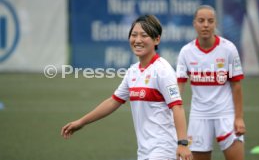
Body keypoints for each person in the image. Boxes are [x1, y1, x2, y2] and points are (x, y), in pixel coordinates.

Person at [61, 15, 192, 160]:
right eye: (134, 35)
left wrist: (182, 143)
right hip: (144, 151)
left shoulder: (163, 70)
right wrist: (81, 122)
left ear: (157, 40)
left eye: (144, 35)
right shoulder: (133, 71)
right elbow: (113, 101)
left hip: (163, 149)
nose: (137, 40)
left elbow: (177, 107)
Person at [176, 5, 246, 160]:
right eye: (201, 20)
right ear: (194, 23)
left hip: (226, 114)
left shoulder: (229, 49)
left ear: (216, 24)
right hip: (199, 116)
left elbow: (236, 86)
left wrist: (239, 117)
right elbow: (179, 87)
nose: (205, 25)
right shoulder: (186, 52)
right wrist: (171, 113)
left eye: (210, 21)